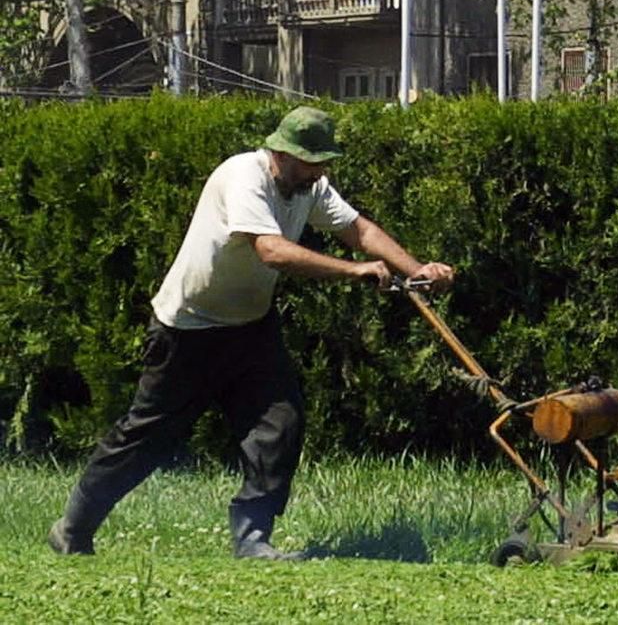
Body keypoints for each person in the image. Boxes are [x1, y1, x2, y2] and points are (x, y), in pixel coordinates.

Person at [47, 106, 455, 561]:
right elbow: (273, 251)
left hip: (250, 330)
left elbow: (358, 229)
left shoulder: (310, 186)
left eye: (323, 162)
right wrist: (352, 271)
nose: (318, 173)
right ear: (281, 153)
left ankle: (253, 539)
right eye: (310, 162)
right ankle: (73, 528)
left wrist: (419, 270)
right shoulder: (243, 176)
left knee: (280, 425)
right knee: (146, 439)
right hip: (188, 329)